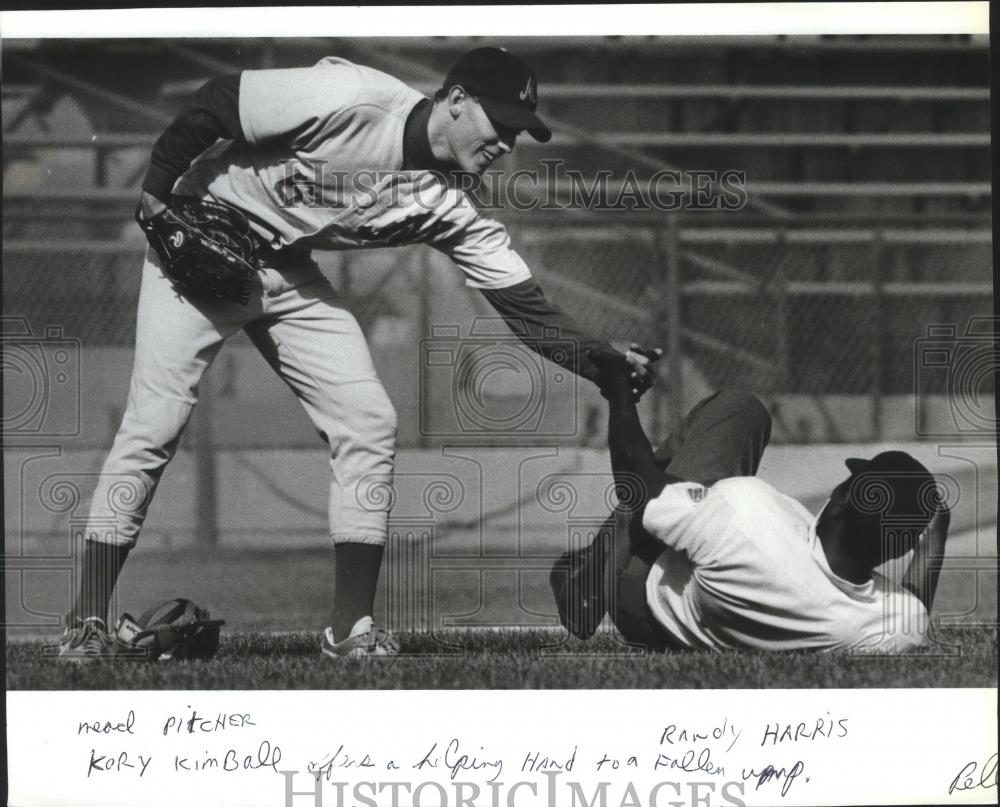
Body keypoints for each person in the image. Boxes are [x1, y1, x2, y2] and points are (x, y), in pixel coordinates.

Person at [58, 47, 660, 660]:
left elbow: (530, 314)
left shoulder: (456, 208)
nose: (506, 141)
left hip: (287, 272)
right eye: (499, 122)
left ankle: (349, 631)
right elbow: (218, 99)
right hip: (201, 238)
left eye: (518, 131)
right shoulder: (352, 97)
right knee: (154, 424)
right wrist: (156, 193)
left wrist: (604, 362)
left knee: (368, 420)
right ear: (456, 101)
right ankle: (83, 624)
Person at [550, 350, 949, 653]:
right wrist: (932, 539)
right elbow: (913, 607)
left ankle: (594, 567)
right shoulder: (888, 624)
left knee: (737, 410)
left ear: (843, 501)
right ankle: (592, 561)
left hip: (642, 593)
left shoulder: (746, 516)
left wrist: (620, 392)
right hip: (697, 613)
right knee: (740, 418)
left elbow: (639, 486)